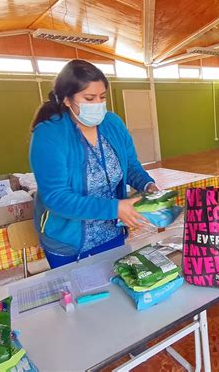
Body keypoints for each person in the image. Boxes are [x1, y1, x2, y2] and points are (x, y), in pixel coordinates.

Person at [30, 59, 158, 268]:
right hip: (68, 240)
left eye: (102, 97)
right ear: (67, 100)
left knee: (116, 289)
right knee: (79, 298)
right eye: (89, 98)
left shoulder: (112, 124)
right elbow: (56, 197)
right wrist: (115, 208)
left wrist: (147, 185)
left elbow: (131, 165)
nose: (98, 104)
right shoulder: (49, 134)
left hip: (112, 233)